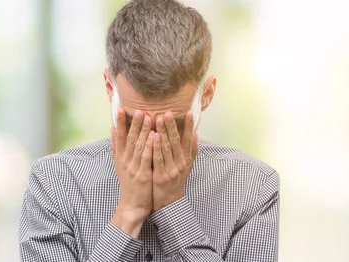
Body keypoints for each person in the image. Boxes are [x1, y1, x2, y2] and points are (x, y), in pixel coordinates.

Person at [18, 0, 279, 261]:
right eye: (135, 123)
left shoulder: (253, 187)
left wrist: (173, 206)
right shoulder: (54, 183)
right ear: (110, 88)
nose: (153, 142)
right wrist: (128, 214)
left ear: (207, 94)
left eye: (173, 124)